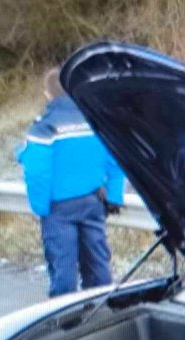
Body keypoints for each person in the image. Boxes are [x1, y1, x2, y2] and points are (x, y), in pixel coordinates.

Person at [18, 66, 124, 298]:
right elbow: (116, 160)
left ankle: (65, 322)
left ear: (48, 94)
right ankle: (100, 312)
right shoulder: (95, 121)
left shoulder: (45, 126)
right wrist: (115, 196)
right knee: (98, 264)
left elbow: (36, 171)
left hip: (60, 207)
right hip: (94, 202)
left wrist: (40, 207)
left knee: (64, 268)